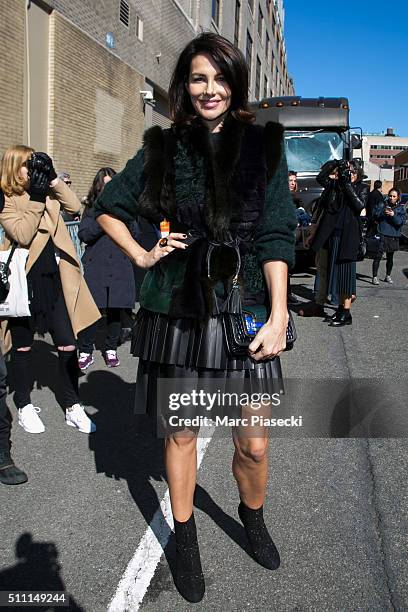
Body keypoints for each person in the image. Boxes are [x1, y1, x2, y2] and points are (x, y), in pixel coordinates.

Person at [95, 32, 296, 602]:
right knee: (182, 433)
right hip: (179, 313)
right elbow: (109, 207)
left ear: (236, 84)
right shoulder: (164, 145)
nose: (209, 89)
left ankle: (251, 516)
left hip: (246, 309)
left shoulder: (266, 145)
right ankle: (185, 537)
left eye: (220, 78)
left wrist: (279, 314)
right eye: (198, 78)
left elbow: (278, 231)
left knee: (253, 443)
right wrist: (140, 253)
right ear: (184, 84)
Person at [0, 146, 101, 434]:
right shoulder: (7, 199)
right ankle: (23, 404)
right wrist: (35, 199)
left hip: (57, 281)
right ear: (13, 169)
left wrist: (54, 179)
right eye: (27, 165)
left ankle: (72, 405)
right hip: (24, 283)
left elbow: (74, 208)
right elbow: (22, 234)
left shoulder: (47, 191)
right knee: (22, 347)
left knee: (68, 345)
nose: (32, 171)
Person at [77, 167, 140, 369]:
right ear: (98, 187)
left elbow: (135, 234)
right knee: (91, 310)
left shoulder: (125, 208)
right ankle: (85, 351)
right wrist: (103, 218)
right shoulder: (92, 209)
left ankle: (110, 348)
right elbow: (85, 234)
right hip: (97, 266)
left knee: (116, 308)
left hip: (120, 265)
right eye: (105, 185)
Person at [310, 159, 369, 327]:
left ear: (356, 173)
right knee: (336, 274)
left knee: (346, 274)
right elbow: (321, 178)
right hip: (334, 235)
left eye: (349, 171)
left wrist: (346, 183)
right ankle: (342, 309)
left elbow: (359, 206)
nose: (345, 174)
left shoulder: (361, 188)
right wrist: (335, 163)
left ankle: (346, 312)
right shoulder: (335, 185)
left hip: (349, 236)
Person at [372, 188, 406, 285]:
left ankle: (388, 275)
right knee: (377, 256)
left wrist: (393, 214)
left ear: (398, 197)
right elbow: (375, 214)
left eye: (394, 196)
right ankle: (374, 277)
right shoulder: (383, 204)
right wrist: (383, 211)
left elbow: (400, 222)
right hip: (382, 233)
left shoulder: (400, 208)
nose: (391, 198)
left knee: (390, 257)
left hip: (393, 235)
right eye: (390, 195)